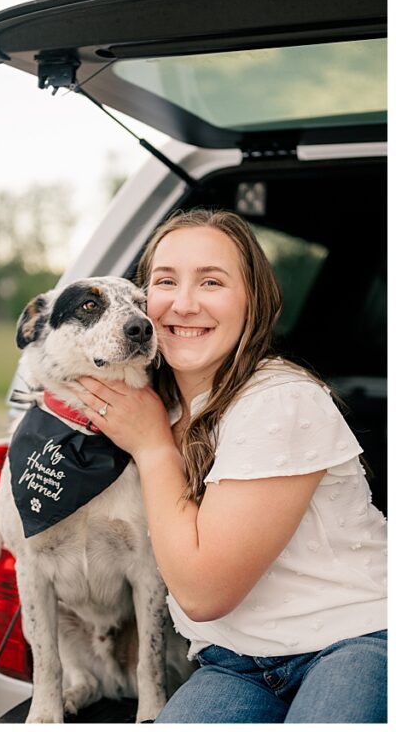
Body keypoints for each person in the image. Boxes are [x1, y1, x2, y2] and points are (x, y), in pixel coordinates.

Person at [71, 209, 386, 723]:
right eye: (165, 281)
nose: (184, 302)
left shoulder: (280, 400)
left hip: (355, 639)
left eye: (211, 282)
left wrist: (154, 450)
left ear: (253, 302)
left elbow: (202, 592)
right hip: (234, 662)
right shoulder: (154, 403)